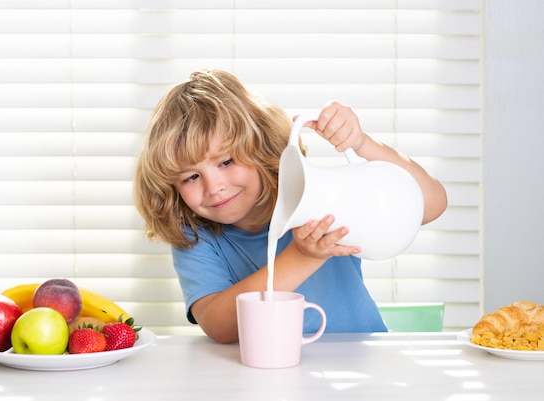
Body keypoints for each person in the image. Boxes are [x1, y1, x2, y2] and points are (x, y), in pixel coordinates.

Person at [134, 69, 447, 343]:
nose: (213, 187)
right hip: (268, 377)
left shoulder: (314, 197)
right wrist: (302, 256)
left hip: (362, 365)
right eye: (190, 177)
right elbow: (219, 326)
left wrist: (361, 143)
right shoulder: (196, 237)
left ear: (261, 146)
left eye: (227, 161)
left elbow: (431, 204)